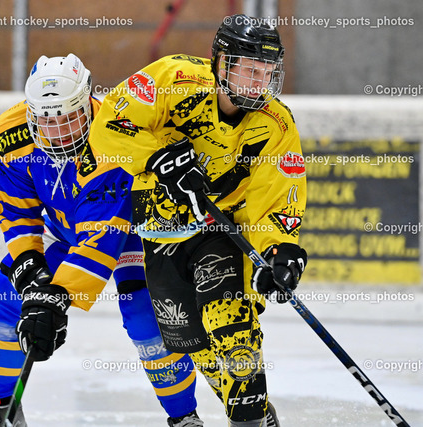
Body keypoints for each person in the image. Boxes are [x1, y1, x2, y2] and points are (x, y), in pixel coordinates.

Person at [89, 15, 308, 427]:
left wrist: (280, 249)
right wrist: (156, 156)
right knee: (196, 344)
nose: (259, 81)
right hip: (161, 226)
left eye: (266, 72)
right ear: (221, 62)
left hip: (223, 231)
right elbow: (108, 129)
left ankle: (248, 420)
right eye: (249, 69)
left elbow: (275, 197)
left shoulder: (276, 124)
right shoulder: (173, 79)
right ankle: (256, 410)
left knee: (231, 325)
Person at [0, 54, 202, 427]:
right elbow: (16, 211)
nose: (58, 131)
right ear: (30, 112)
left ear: (89, 103)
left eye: (69, 117)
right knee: (3, 296)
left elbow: (101, 238)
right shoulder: (6, 135)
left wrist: (54, 298)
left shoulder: (112, 136)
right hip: (67, 231)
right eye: (46, 119)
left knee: (145, 316)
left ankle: (184, 418)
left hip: (133, 234)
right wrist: (31, 274)